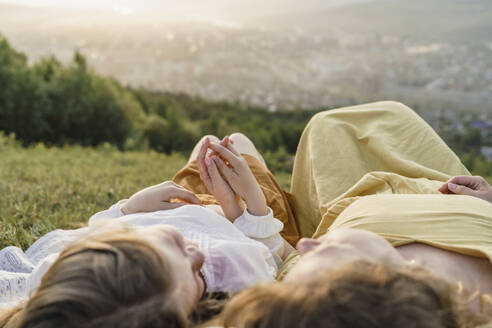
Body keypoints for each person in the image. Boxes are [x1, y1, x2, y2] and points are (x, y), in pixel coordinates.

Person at [217, 101, 492, 327]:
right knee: (386, 118)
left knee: (326, 126)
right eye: (322, 251)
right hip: (440, 186)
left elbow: (287, 256)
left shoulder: (315, 303)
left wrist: (246, 202)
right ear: (385, 284)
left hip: (351, 199)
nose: (305, 243)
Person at [0, 133, 298, 327]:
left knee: (207, 145)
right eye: (197, 280)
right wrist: (249, 206)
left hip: (184, 204)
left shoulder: (72, 285)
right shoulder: (236, 287)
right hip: (255, 219)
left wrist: (128, 209)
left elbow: (90, 235)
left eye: (173, 243)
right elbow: (286, 260)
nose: (197, 257)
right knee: (239, 142)